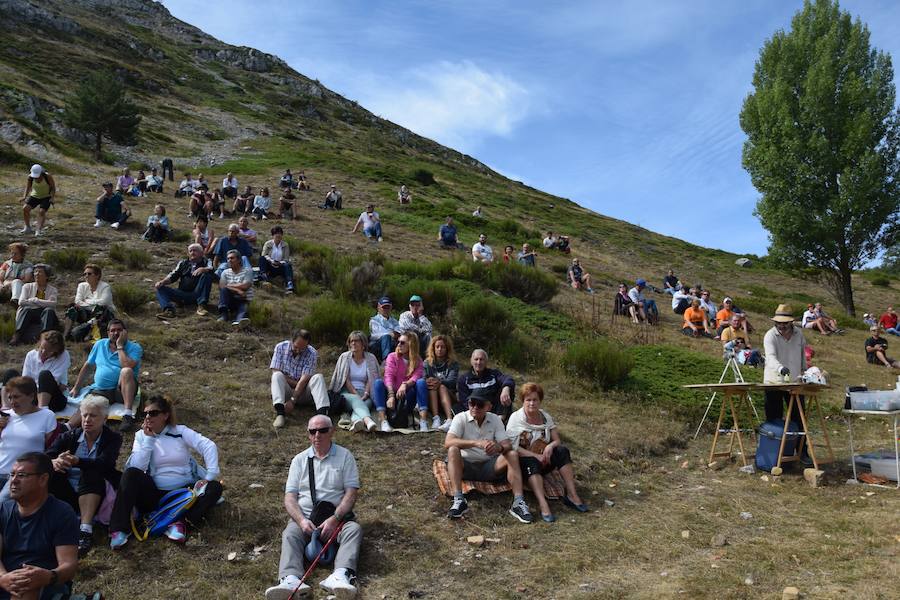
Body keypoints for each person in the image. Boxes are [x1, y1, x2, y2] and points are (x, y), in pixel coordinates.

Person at [264, 415, 362, 599]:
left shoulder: (345, 456)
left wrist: (335, 519)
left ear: (332, 431)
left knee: (354, 530)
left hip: (337, 518)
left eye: (323, 430)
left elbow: (351, 494)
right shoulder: (299, 460)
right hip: (306, 518)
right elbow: (290, 498)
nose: (317, 435)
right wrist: (301, 521)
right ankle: (290, 578)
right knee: (290, 533)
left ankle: (340, 576)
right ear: (308, 435)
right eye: (312, 431)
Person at [108, 396, 222, 550]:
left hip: (184, 492)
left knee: (214, 488)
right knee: (130, 474)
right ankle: (119, 529)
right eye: (145, 413)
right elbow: (137, 466)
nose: (148, 417)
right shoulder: (141, 436)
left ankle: (180, 523)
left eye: (153, 413)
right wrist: (148, 440)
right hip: (155, 493)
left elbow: (208, 446)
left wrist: (209, 477)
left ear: (166, 415)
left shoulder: (180, 431)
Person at [46, 395, 122, 557]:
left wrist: (78, 461)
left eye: (93, 416)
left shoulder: (113, 438)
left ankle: (85, 531)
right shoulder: (69, 436)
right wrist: (55, 462)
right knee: (51, 473)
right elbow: (46, 457)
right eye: (84, 415)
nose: (87, 419)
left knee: (92, 472)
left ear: (105, 419)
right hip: (68, 490)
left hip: (95, 491)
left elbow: (105, 464)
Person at [444, 387, 533, 523]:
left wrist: (498, 447)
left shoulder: (495, 420)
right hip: (465, 466)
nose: (475, 407)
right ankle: (458, 499)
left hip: (489, 466)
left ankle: (518, 502)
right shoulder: (460, 418)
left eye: (479, 404)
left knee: (513, 454)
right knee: (452, 450)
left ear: (488, 406)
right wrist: (476, 443)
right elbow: (448, 442)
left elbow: (507, 445)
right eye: (471, 403)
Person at [0, 452, 78, 599]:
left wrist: (49, 576)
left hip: (43, 584)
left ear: (43, 479)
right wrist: (3, 577)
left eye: (22, 475)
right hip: (5, 579)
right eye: (12, 474)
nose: (14, 481)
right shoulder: (3, 510)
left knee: (25, 584)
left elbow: (69, 565)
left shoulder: (62, 513)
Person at [507, 382, 587, 522]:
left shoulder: (545, 416)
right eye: (528, 400)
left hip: (544, 458)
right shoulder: (515, 418)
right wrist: (536, 456)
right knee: (531, 462)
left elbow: (557, 440)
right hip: (523, 462)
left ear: (540, 401)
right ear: (523, 401)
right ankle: (543, 503)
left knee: (562, 451)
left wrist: (550, 447)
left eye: (535, 399)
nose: (532, 403)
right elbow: (512, 447)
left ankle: (572, 495)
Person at [68, 319, 142, 433]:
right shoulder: (100, 344)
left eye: (119, 330)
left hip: (121, 390)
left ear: (125, 332)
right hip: (102, 390)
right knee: (88, 406)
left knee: (126, 371)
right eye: (112, 331)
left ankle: (127, 415)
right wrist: (77, 387)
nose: (116, 333)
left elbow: (127, 365)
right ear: (108, 333)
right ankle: (67, 427)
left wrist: (120, 347)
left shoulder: (135, 347)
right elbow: (88, 366)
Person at [762, 304, 810, 461]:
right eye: (779, 323)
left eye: (785, 323)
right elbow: (770, 357)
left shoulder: (799, 334)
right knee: (774, 419)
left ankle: (802, 452)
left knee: (799, 419)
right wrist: (780, 368)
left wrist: (805, 371)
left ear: (791, 322)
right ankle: (774, 454)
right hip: (774, 382)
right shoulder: (770, 335)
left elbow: (802, 354)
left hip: (794, 383)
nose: (782, 326)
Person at [0, 377, 57, 503]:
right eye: (10, 398)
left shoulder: (46, 416)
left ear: (31, 396)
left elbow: (52, 447)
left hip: (22, 475)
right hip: (1, 469)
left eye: (16, 397)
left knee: (2, 502)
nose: (12, 401)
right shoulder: (5, 416)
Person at [270, 330, 331, 429]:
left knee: (318, 377)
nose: (298, 351)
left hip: (303, 392)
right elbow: (275, 370)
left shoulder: (312, 353)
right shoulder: (280, 347)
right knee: (277, 375)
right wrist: (295, 383)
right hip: (286, 391)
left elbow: (305, 379)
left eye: (302, 348)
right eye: (296, 347)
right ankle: (280, 413)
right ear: (291, 341)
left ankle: (323, 415)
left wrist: (293, 400)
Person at [372, 333, 424, 432]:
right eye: (398, 342)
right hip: (391, 394)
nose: (399, 345)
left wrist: (405, 385)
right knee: (378, 383)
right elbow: (388, 376)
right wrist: (391, 395)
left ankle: (423, 420)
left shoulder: (418, 360)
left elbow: (416, 377)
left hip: (406, 397)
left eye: (402, 343)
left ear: (411, 345)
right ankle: (383, 420)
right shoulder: (392, 356)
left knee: (420, 383)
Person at [329, 331, 379, 433]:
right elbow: (344, 379)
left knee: (367, 403)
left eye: (356, 341)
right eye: (351, 341)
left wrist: (366, 393)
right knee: (357, 400)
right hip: (346, 393)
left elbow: (372, 378)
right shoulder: (344, 357)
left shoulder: (371, 358)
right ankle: (368, 421)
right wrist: (356, 394)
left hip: (364, 392)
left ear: (363, 344)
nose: (353, 343)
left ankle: (357, 421)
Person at [155, 243, 215, 318]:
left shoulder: (206, 261)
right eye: (190, 251)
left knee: (207, 275)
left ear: (201, 253)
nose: (192, 252)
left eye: (195, 250)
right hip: (182, 293)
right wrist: (162, 282)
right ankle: (169, 311)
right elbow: (173, 276)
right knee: (160, 288)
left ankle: (201, 306)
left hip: (197, 294)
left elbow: (211, 269)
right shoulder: (183, 263)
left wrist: (203, 269)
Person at [457, 349, 515, 422]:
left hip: (494, 409)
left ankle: (500, 422)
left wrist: (506, 389)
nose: (478, 362)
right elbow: (464, 401)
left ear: (486, 362)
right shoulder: (463, 379)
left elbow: (508, 379)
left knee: (507, 389)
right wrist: (481, 409)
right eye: (476, 359)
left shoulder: (494, 374)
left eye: (481, 360)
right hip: (476, 410)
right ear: (471, 361)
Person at [63, 263, 115, 343]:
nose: (86, 276)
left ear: (97, 275)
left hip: (103, 315)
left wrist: (86, 301)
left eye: (89, 274)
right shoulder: (82, 286)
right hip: (86, 312)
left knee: (99, 309)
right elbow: (77, 301)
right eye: (85, 274)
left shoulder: (105, 286)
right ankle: (65, 335)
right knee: (72, 309)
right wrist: (92, 303)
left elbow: (104, 302)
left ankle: (90, 333)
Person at [417, 335, 459, 432]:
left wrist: (439, 382)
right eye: (437, 347)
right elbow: (422, 378)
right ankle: (436, 418)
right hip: (431, 398)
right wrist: (429, 381)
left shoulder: (453, 363)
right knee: (432, 386)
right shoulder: (427, 363)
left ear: (447, 348)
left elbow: (452, 381)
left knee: (442, 387)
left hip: (449, 396)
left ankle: (449, 419)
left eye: (443, 347)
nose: (440, 349)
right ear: (433, 348)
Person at [21, 331, 71, 412]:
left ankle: (42, 410)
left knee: (44, 374)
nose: (43, 352)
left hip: (54, 399)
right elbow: (25, 379)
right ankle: (6, 409)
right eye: (42, 348)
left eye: (49, 351)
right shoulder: (31, 355)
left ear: (57, 351)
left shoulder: (63, 356)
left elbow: (52, 381)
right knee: (11, 374)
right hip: (32, 396)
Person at [11, 264, 59, 347]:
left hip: (44, 314)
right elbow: (21, 302)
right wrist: (44, 302)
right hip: (31, 313)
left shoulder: (53, 290)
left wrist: (35, 300)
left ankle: (44, 338)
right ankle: (17, 336)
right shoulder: (27, 286)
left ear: (46, 276)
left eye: (40, 272)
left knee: (48, 310)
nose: (36, 274)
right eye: (35, 272)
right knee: (26, 309)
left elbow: (53, 304)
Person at [217, 250, 253, 327]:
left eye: (232, 258)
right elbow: (222, 286)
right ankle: (224, 315)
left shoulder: (247, 271)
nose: (229, 260)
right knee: (224, 290)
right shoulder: (225, 272)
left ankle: (239, 322)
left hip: (243, 299)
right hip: (231, 299)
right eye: (228, 259)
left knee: (243, 311)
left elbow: (245, 286)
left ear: (239, 260)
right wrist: (237, 290)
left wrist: (229, 285)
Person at [20, 164, 56, 236]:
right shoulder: (30, 177)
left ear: (41, 172)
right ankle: (27, 227)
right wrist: (24, 196)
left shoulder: (47, 176)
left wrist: (52, 197)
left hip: (46, 196)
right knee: (25, 208)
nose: (36, 177)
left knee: (41, 211)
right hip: (35, 196)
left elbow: (53, 187)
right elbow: (28, 187)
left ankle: (38, 231)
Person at [260, 226, 295, 293]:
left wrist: (280, 263)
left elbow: (286, 259)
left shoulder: (285, 245)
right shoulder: (268, 244)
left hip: (280, 266)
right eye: (276, 234)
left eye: (280, 234)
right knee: (262, 259)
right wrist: (271, 261)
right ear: (273, 235)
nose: (278, 235)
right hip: (270, 265)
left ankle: (289, 283)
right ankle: (263, 275)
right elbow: (264, 255)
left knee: (288, 265)